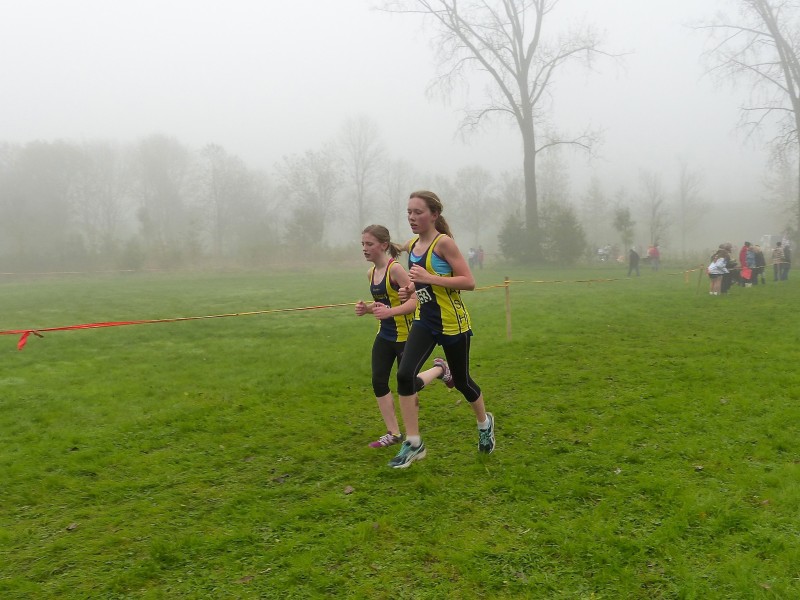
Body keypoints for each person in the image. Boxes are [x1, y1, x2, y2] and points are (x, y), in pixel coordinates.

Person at [388, 190, 495, 469]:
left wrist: (429, 277)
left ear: (434, 215)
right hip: (425, 321)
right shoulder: (412, 245)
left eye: (418, 212)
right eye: (409, 212)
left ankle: (484, 424)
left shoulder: (443, 243)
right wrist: (411, 289)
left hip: (452, 323)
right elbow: (417, 279)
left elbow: (469, 282)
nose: (412, 217)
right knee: (404, 374)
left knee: (462, 382)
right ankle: (414, 443)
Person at [355, 224, 454, 449]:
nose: (364, 248)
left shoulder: (396, 270)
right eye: (362, 244)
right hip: (384, 335)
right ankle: (393, 433)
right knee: (378, 381)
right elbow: (383, 304)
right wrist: (367, 309)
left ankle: (440, 369)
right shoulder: (371, 273)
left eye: (369, 244)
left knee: (409, 385)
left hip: (406, 336)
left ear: (383, 245)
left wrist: (390, 312)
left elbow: (415, 301)